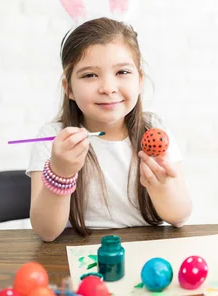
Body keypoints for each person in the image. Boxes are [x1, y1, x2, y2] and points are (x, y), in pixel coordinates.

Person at [26, 16, 192, 242]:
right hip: (79, 257)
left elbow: (179, 217)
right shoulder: (53, 139)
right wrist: (60, 172)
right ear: (69, 88)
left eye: (122, 72)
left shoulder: (154, 129)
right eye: (90, 75)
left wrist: (162, 187)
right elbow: (46, 231)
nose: (108, 88)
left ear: (140, 81)